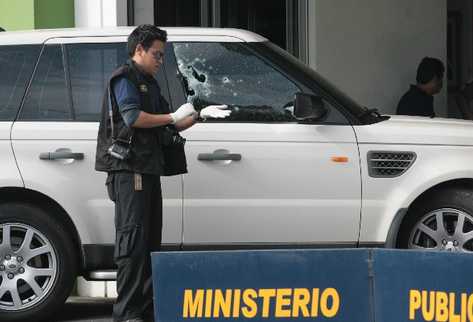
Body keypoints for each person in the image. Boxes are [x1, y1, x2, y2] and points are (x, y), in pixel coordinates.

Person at [95, 25, 231, 322]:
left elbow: (169, 125)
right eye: (156, 54)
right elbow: (133, 118)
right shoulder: (125, 78)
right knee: (132, 243)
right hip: (129, 171)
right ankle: (127, 312)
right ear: (139, 49)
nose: (160, 60)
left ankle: (144, 310)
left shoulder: (150, 83)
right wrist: (172, 116)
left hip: (147, 169)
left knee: (149, 243)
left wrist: (198, 115)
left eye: (162, 55)